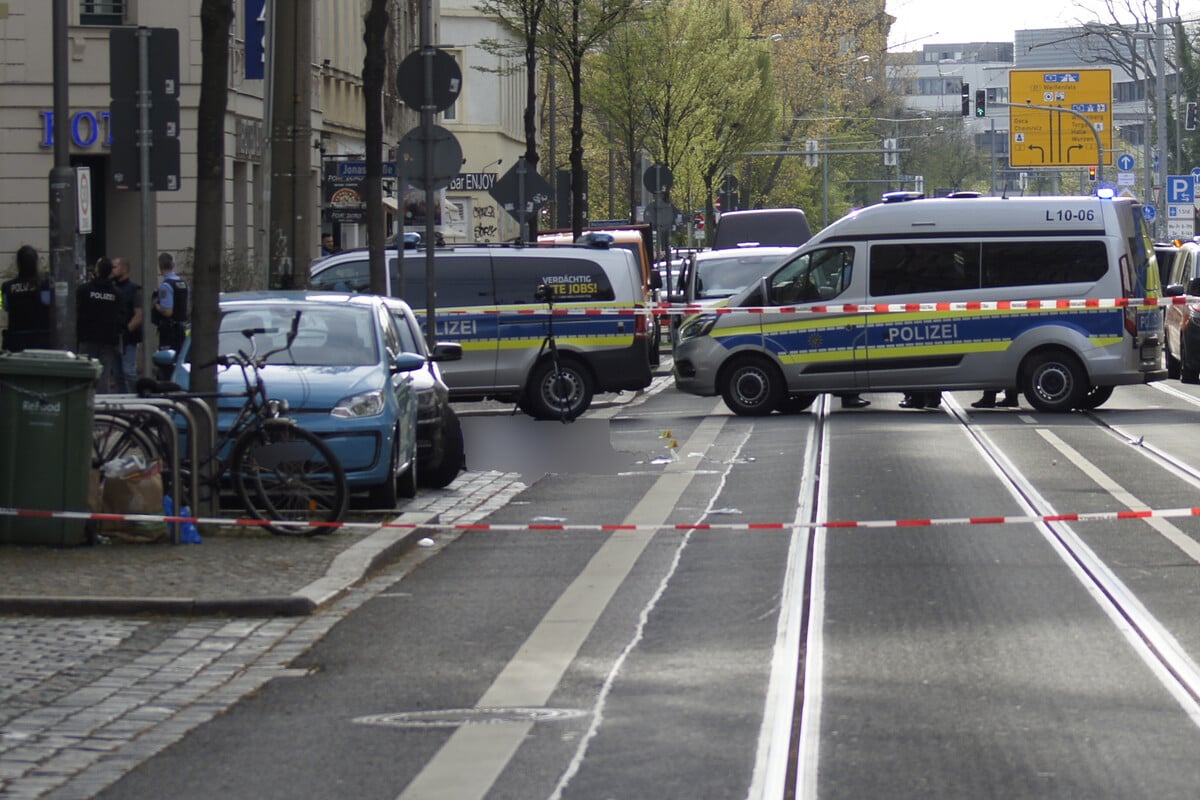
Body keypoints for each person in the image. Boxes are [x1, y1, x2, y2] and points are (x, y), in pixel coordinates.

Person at [76, 258, 124, 392]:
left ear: (97, 271)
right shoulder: (117, 293)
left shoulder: (84, 290)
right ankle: (102, 406)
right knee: (103, 376)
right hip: (108, 341)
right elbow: (121, 317)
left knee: (84, 375)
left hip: (87, 338)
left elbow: (77, 311)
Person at [1, 244, 52, 352]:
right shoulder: (44, 285)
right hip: (41, 340)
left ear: (18, 263)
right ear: (36, 262)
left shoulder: (6, 286)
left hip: (16, 340)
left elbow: (4, 307)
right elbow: (48, 303)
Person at [110, 256, 144, 392]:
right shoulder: (112, 287)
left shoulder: (134, 289)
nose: (112, 270)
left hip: (128, 338)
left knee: (128, 371)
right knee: (118, 374)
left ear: (124, 268)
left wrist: (125, 332)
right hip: (114, 337)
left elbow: (139, 315)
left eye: (115, 267)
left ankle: (138, 396)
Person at [152, 251, 189, 351]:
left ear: (160, 267)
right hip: (183, 328)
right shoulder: (184, 283)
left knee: (166, 362)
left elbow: (168, 312)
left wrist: (156, 306)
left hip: (170, 331)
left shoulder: (166, 286)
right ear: (173, 265)